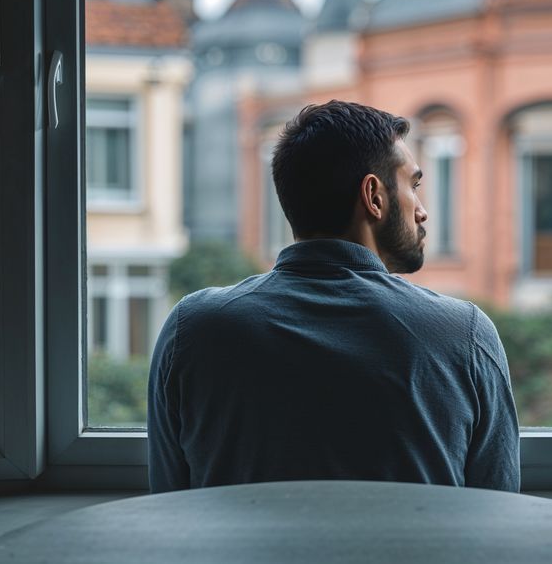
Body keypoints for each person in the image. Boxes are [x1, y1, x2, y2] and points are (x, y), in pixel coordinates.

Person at [148, 100, 520, 493]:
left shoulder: (194, 329)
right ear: (374, 196)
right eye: (413, 185)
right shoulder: (464, 335)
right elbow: (496, 506)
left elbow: (169, 499)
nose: (423, 211)